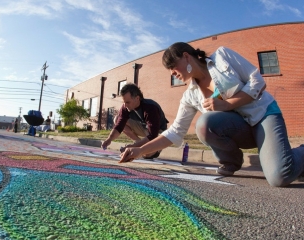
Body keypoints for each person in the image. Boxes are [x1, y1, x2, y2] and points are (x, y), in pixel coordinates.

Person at [120, 42, 304, 187]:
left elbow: (257, 81)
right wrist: (139, 150)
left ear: (186, 57)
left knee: (280, 176)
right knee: (204, 123)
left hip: (264, 115)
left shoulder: (222, 57)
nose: (172, 73)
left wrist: (227, 104)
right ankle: (231, 161)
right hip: (241, 129)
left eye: (173, 67)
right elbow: (176, 131)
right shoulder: (190, 95)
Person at [101, 83, 168, 159]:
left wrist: (133, 147)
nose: (125, 105)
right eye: (124, 102)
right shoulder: (125, 107)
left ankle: (156, 150)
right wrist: (109, 139)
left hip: (158, 132)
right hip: (143, 127)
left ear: (137, 98)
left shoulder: (150, 107)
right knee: (117, 119)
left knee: (147, 154)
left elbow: (153, 135)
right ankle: (138, 141)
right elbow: (119, 126)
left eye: (128, 102)